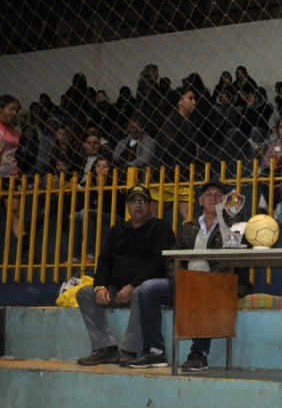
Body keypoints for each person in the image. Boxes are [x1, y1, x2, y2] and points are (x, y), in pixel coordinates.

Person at [128, 180, 251, 371]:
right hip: (186, 283)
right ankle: (155, 351)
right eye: (208, 194)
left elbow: (232, 263)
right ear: (200, 201)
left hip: (216, 285)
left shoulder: (233, 227)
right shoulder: (189, 226)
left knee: (203, 289)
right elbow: (172, 259)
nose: (213, 198)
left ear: (225, 202)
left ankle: (198, 353)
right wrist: (180, 281)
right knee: (147, 289)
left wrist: (201, 282)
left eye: (218, 195)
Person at [74, 185, 177, 366]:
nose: (139, 205)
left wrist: (132, 285)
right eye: (134, 201)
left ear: (151, 205)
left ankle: (129, 351)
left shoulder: (160, 228)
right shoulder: (118, 229)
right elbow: (105, 260)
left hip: (140, 290)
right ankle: (105, 348)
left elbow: (159, 263)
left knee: (141, 292)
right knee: (84, 293)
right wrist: (100, 286)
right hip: (116, 289)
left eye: (143, 201)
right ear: (128, 205)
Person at [155, 86, 199, 221]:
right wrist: (188, 164)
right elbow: (170, 146)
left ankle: (190, 240)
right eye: (190, 98)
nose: (194, 102)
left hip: (183, 174)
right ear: (179, 101)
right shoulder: (172, 119)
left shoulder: (187, 123)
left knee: (187, 213)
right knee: (155, 214)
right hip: (168, 173)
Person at [0, 95, 24, 243]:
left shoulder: (14, 131)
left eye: (17, 110)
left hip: (10, 174)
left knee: (16, 212)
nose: (15, 113)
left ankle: (24, 249)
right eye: (11, 109)